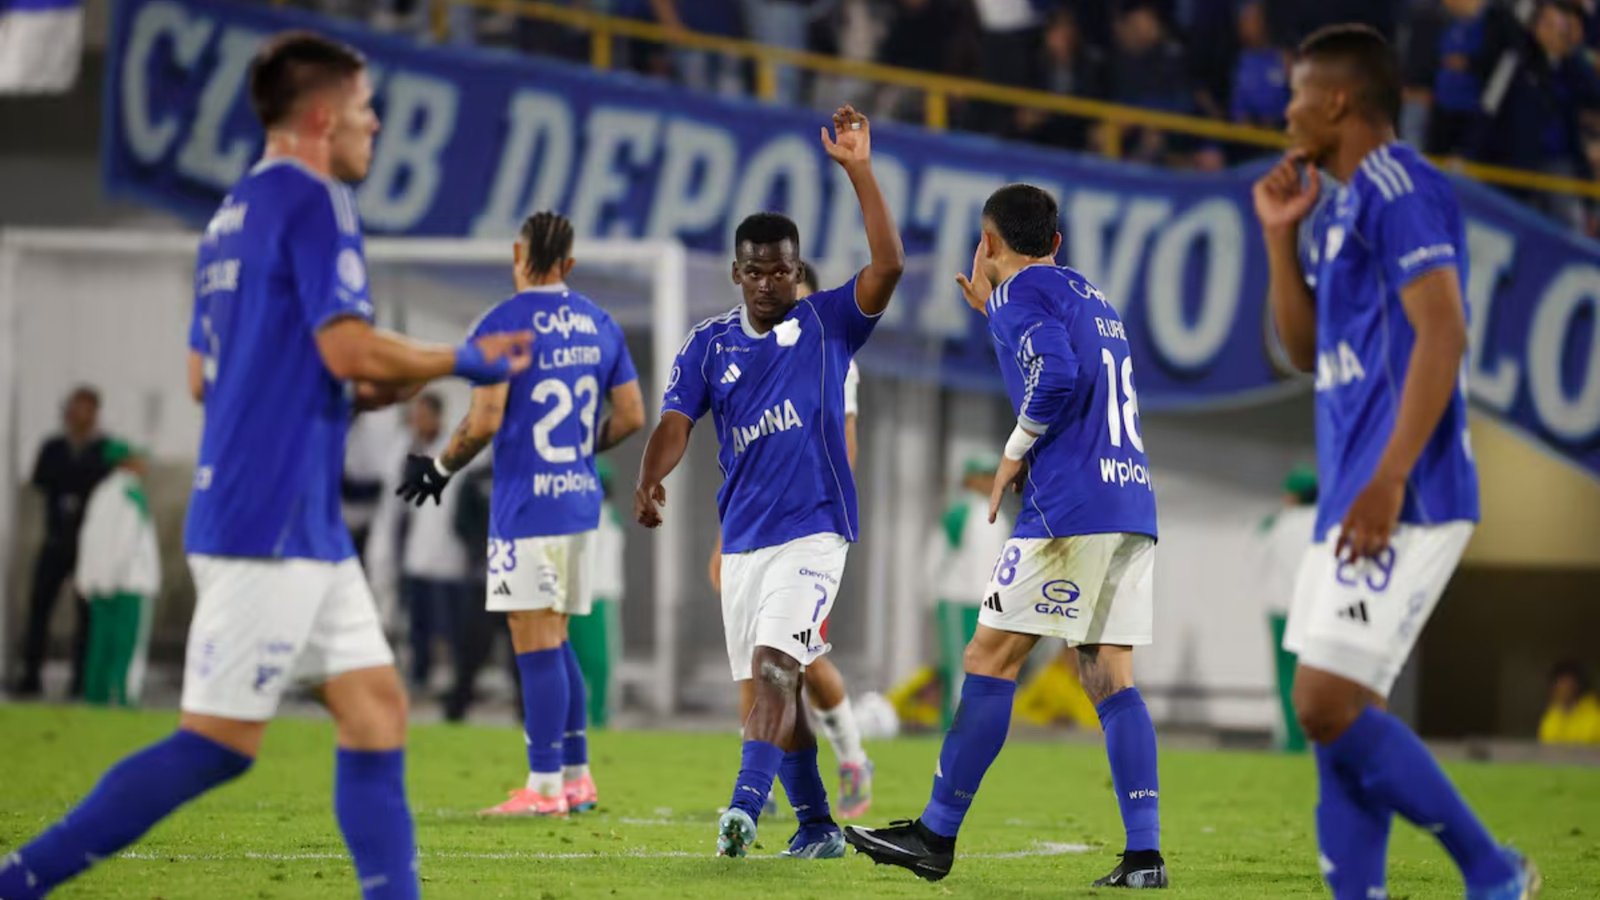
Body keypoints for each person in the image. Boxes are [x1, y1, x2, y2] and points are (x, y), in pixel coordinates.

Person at [0, 32, 533, 900]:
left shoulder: (230, 215)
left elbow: (206, 374)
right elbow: (346, 344)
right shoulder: (315, 201)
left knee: (376, 711)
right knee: (215, 743)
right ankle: (18, 881)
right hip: (268, 520)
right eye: (366, 110)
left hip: (297, 524)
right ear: (323, 116)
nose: (377, 126)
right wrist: (460, 359)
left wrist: (355, 394)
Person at [1253, 23, 1536, 900]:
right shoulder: (1337, 205)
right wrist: (1277, 237)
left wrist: (1389, 476)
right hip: (1355, 491)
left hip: (1405, 491)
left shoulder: (1398, 187)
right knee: (1341, 725)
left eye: (1298, 91)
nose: (1285, 106)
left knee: (1322, 705)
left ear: (1337, 100)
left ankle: (1493, 871)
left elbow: (1445, 331)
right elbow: (1303, 350)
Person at [844, 183, 1166, 889]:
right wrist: (996, 314)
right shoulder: (1090, 298)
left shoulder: (1022, 298)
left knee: (988, 658)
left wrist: (1016, 450)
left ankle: (935, 833)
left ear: (987, 243)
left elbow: (1055, 374)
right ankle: (1145, 854)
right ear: (1056, 243)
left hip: (1070, 511)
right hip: (1131, 502)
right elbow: (1068, 363)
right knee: (1110, 676)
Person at [635, 104, 903, 859]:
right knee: (766, 691)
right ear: (736, 273)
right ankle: (818, 828)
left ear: (797, 269)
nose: (768, 282)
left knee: (779, 667)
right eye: (755, 271)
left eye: (782, 270)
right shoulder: (706, 344)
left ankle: (742, 812)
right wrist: (653, 479)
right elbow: (676, 421)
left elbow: (888, 267)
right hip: (746, 538)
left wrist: (859, 172)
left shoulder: (827, 322)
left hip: (817, 531)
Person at [396, 210, 646, 818]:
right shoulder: (600, 323)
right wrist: (579, 452)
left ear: (517, 254)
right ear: (570, 265)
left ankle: (542, 788)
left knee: (532, 639)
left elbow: (482, 420)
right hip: (580, 501)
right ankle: (577, 777)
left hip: (528, 503)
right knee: (555, 635)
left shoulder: (503, 321)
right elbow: (633, 415)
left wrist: (440, 469)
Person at [706, 260, 877, 820]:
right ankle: (767, 774)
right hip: (754, 528)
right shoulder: (750, 356)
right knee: (754, 660)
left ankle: (851, 758)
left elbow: (842, 443)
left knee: (799, 660)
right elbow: (746, 459)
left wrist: (821, 513)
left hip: (808, 528)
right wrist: (726, 536)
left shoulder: (830, 354)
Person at [368, 393, 472, 694]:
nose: (417, 422)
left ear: (437, 418)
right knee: (415, 621)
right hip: (410, 549)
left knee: (447, 622)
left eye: (423, 415)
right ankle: (418, 675)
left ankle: (446, 676)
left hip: (446, 553)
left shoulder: (452, 449)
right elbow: (392, 500)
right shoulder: (404, 448)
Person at [13, 385, 109, 698]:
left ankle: (80, 681)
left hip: (88, 546)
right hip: (55, 539)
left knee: (87, 616)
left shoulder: (103, 450)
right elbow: (41, 482)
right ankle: (30, 678)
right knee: (40, 607)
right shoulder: (53, 447)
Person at [925, 455, 1011, 729]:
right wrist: (930, 593)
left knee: (984, 666)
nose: (988, 480)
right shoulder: (960, 512)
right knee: (957, 664)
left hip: (986, 605)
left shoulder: (1001, 519)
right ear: (971, 479)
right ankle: (954, 723)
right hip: (956, 599)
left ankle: (977, 723)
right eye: (983, 475)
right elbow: (935, 555)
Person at [75, 439, 160, 708]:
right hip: (129, 584)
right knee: (128, 646)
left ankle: (96, 696)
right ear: (126, 462)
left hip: (101, 584)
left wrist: (89, 579)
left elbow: (88, 537)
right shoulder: (130, 493)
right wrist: (113, 577)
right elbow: (127, 541)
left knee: (100, 644)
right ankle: (125, 697)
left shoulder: (102, 491)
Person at [1257, 465, 1319, 753]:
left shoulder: (1277, 523)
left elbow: (1255, 557)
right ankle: (1318, 737)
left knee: (1286, 678)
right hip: (1316, 612)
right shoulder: (1325, 524)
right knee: (1316, 676)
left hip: (1282, 609)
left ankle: (1293, 740)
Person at [569, 458, 626, 729]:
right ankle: (576, 716)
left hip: (600, 596)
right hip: (572, 596)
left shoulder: (607, 517)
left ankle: (600, 715)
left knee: (599, 661)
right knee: (574, 660)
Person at [1537, 661, 1600, 745]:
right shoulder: (1552, 716)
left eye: (1565, 682)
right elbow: (1545, 745)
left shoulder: (1595, 717)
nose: (1561, 688)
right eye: (1557, 683)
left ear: (1578, 685)